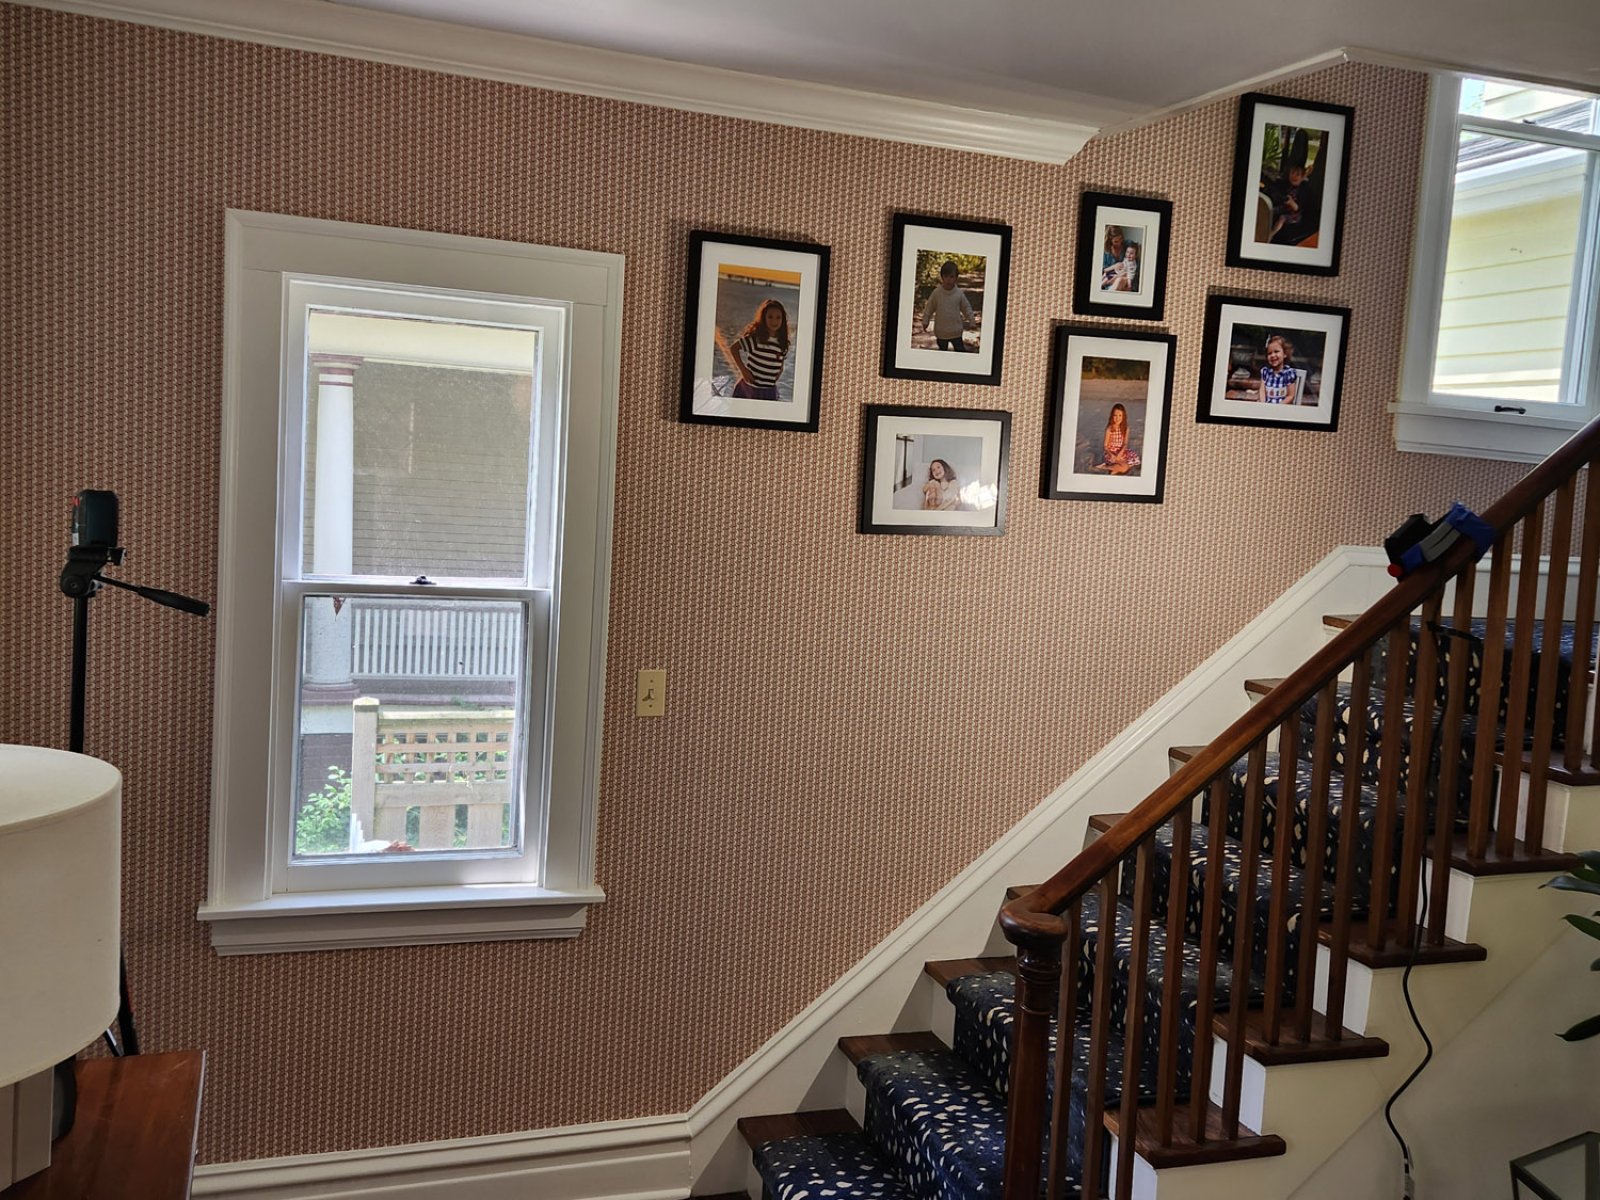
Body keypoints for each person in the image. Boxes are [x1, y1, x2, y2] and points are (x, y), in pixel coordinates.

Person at [722, 298, 792, 400]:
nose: (774, 321)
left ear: (783, 320)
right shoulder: (756, 339)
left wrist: (777, 374)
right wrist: (743, 370)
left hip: (769, 391)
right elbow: (734, 349)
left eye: (778, 317)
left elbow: (780, 363)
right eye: (770, 317)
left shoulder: (782, 343)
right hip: (749, 389)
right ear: (764, 318)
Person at [921, 261, 975, 352]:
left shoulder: (959, 294)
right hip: (941, 332)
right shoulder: (937, 293)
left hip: (956, 332)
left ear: (956, 278)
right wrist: (925, 320)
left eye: (951, 276)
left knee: (960, 351)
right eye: (946, 276)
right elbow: (929, 307)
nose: (948, 279)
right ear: (942, 277)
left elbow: (966, 307)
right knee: (943, 352)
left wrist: (971, 320)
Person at [1257, 334, 1300, 404]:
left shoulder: (1289, 373)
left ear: (1285, 354)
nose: (1272, 355)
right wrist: (1263, 404)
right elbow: (1262, 391)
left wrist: (1277, 407)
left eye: (1276, 351)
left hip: (1282, 407)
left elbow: (1290, 396)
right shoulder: (1265, 372)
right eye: (1269, 353)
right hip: (1267, 406)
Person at [1099, 404, 1141, 474]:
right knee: (1125, 467)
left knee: (1132, 462)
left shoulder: (1126, 428)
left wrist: (1120, 453)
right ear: (1112, 416)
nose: (1117, 418)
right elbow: (1105, 446)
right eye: (1115, 415)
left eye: (1120, 415)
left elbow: (1125, 444)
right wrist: (1111, 454)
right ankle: (1106, 467)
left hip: (1122, 451)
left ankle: (1112, 469)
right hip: (1111, 453)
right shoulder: (1109, 429)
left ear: (1123, 416)